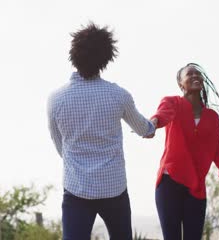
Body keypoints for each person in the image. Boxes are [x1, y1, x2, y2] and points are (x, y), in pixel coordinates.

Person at [47, 22, 155, 240]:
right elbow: (144, 129)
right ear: (106, 59)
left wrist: (78, 162)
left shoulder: (56, 99)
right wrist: (153, 124)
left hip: (76, 188)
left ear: (73, 55)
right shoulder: (119, 95)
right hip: (114, 188)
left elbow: (60, 146)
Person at [148, 63, 219, 239]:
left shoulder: (211, 117)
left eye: (198, 74)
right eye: (189, 74)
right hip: (169, 183)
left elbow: (218, 149)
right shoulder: (172, 103)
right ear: (181, 84)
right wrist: (152, 123)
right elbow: (162, 115)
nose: (195, 76)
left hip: (196, 187)